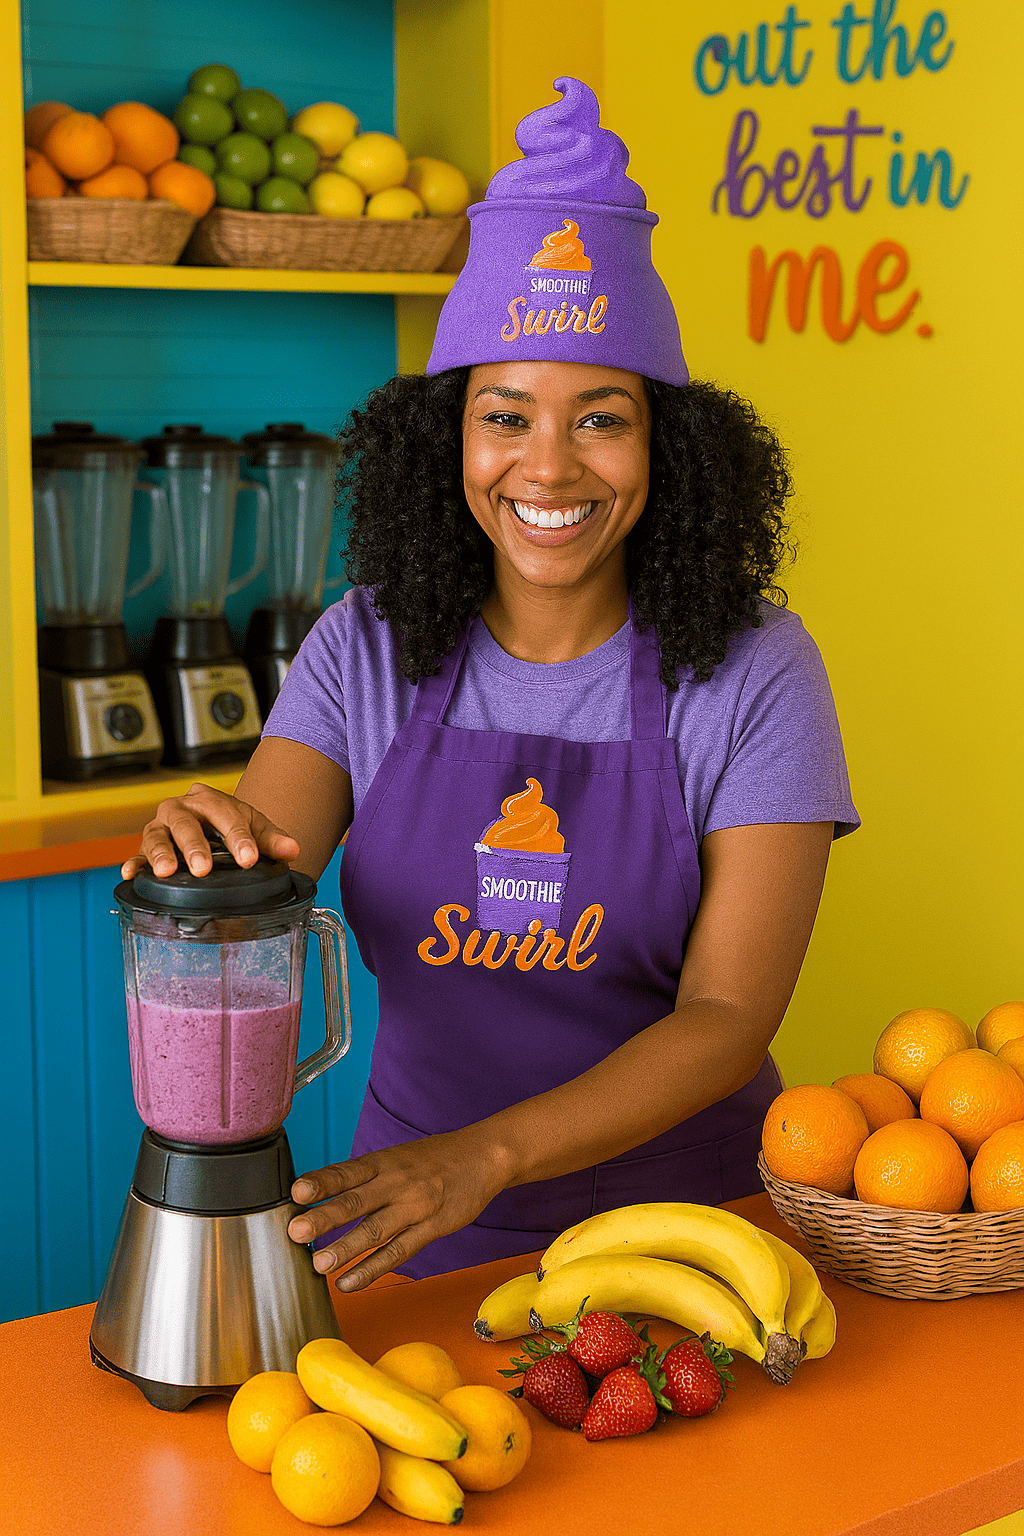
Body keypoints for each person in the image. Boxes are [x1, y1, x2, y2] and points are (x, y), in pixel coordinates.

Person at [122, 78, 858, 1291]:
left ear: (667, 447)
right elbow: (261, 878)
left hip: (684, 1230)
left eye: (600, 419)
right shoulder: (363, 643)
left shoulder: (752, 667)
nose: (547, 466)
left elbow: (729, 1017)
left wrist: (490, 1156)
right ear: (447, 440)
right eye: (503, 415)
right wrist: (203, 847)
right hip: (404, 1221)